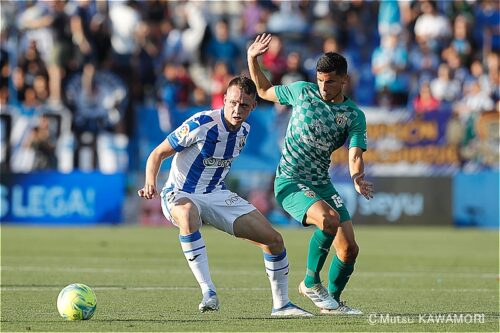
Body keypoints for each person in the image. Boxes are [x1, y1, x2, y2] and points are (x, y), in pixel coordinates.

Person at [138, 76, 311, 317]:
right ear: (224, 100)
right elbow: (157, 153)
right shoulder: (202, 123)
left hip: (216, 194)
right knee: (187, 213)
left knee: (273, 240)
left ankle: (281, 305)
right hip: (180, 192)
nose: (236, 109)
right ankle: (208, 292)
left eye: (244, 105)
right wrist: (150, 183)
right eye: (232, 102)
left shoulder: (245, 131)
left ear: (252, 107)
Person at [247, 34, 374, 315]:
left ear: (344, 80)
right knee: (327, 220)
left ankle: (333, 304)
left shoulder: (353, 115)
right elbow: (265, 90)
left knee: (349, 249)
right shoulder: (302, 91)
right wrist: (252, 59)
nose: (323, 86)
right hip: (290, 180)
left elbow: (355, 154)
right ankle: (309, 282)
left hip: (321, 182)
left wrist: (356, 177)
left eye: (329, 81)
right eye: (320, 80)